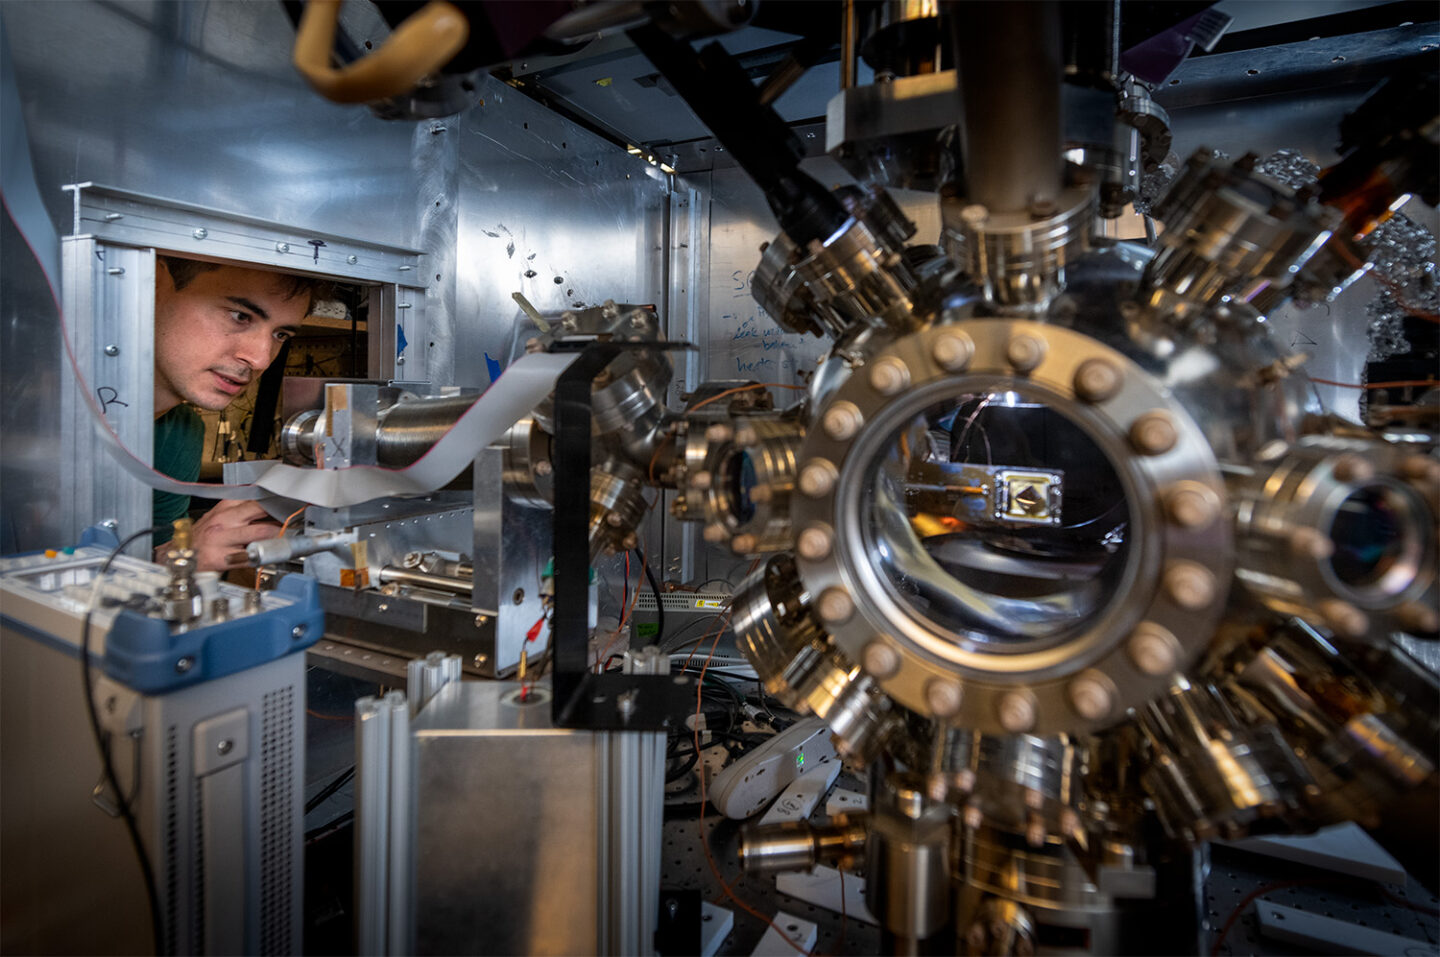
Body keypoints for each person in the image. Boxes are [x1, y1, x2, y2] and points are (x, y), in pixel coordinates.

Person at [151, 255, 322, 571]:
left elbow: (141, 557)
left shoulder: (180, 435)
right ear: (155, 285)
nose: (260, 359)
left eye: (280, 335)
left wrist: (173, 557)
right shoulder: (44, 414)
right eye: (239, 316)